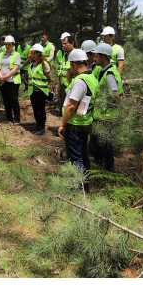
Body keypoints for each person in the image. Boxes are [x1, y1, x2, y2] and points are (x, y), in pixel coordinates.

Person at [57, 49, 99, 192]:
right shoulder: (91, 78)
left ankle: (78, 189)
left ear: (75, 64)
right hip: (85, 123)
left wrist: (62, 124)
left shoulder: (80, 81)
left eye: (70, 65)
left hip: (74, 125)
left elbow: (71, 106)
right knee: (83, 155)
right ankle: (85, 186)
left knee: (76, 158)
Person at [90, 43, 123, 171]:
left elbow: (115, 96)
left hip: (106, 117)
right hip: (101, 115)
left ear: (103, 56)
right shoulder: (103, 71)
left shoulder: (109, 74)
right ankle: (99, 165)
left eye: (97, 56)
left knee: (106, 145)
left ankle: (109, 170)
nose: (94, 59)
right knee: (99, 143)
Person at [27, 44, 52, 135]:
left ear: (39, 54)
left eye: (34, 53)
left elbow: (49, 78)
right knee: (35, 109)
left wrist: (43, 85)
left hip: (40, 91)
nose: (32, 55)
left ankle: (42, 128)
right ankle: (38, 126)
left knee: (41, 109)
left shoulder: (44, 64)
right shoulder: (31, 65)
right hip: (32, 90)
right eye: (32, 53)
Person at [0, 35, 21, 125]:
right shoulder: (2, 54)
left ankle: (17, 118)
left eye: (9, 44)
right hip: (3, 81)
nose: (7, 46)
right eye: (6, 44)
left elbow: (15, 69)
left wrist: (5, 77)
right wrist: (0, 76)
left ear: (13, 45)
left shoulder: (16, 55)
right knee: (6, 100)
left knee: (13, 100)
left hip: (12, 81)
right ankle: (9, 117)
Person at [56, 34, 76, 108]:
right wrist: (59, 84)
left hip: (73, 84)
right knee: (64, 106)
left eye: (65, 43)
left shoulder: (77, 54)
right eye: (63, 44)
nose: (64, 45)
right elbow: (62, 71)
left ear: (72, 43)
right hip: (64, 84)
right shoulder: (65, 55)